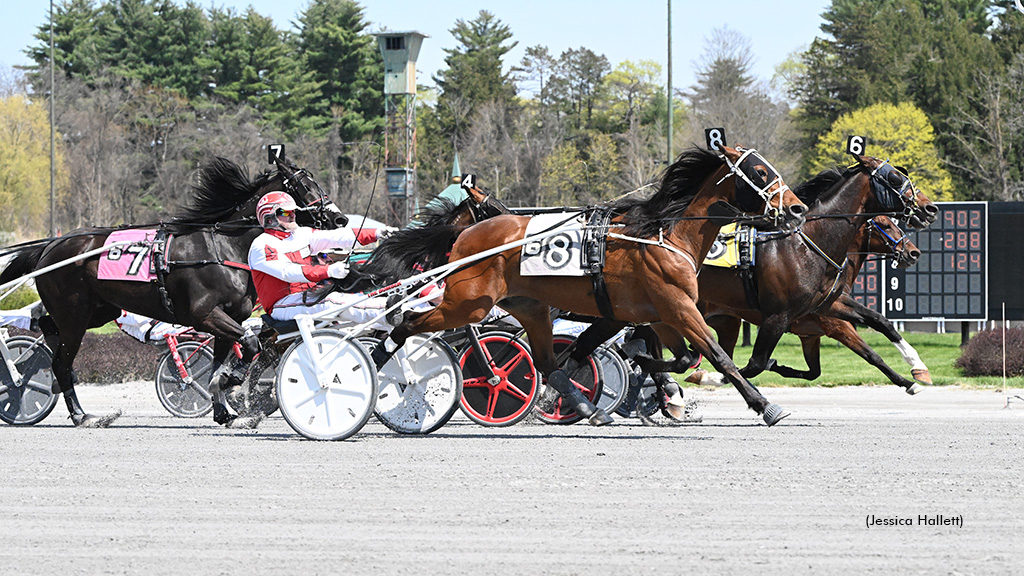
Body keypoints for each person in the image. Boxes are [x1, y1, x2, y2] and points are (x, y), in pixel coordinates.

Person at [247, 191, 398, 328]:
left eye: (293, 211)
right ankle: (388, 309)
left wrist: (377, 233)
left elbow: (336, 237)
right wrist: (329, 270)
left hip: (308, 296)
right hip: (281, 305)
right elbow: (287, 272)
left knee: (351, 294)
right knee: (331, 302)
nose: (292, 215)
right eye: (285, 212)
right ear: (269, 218)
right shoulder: (261, 245)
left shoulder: (301, 234)